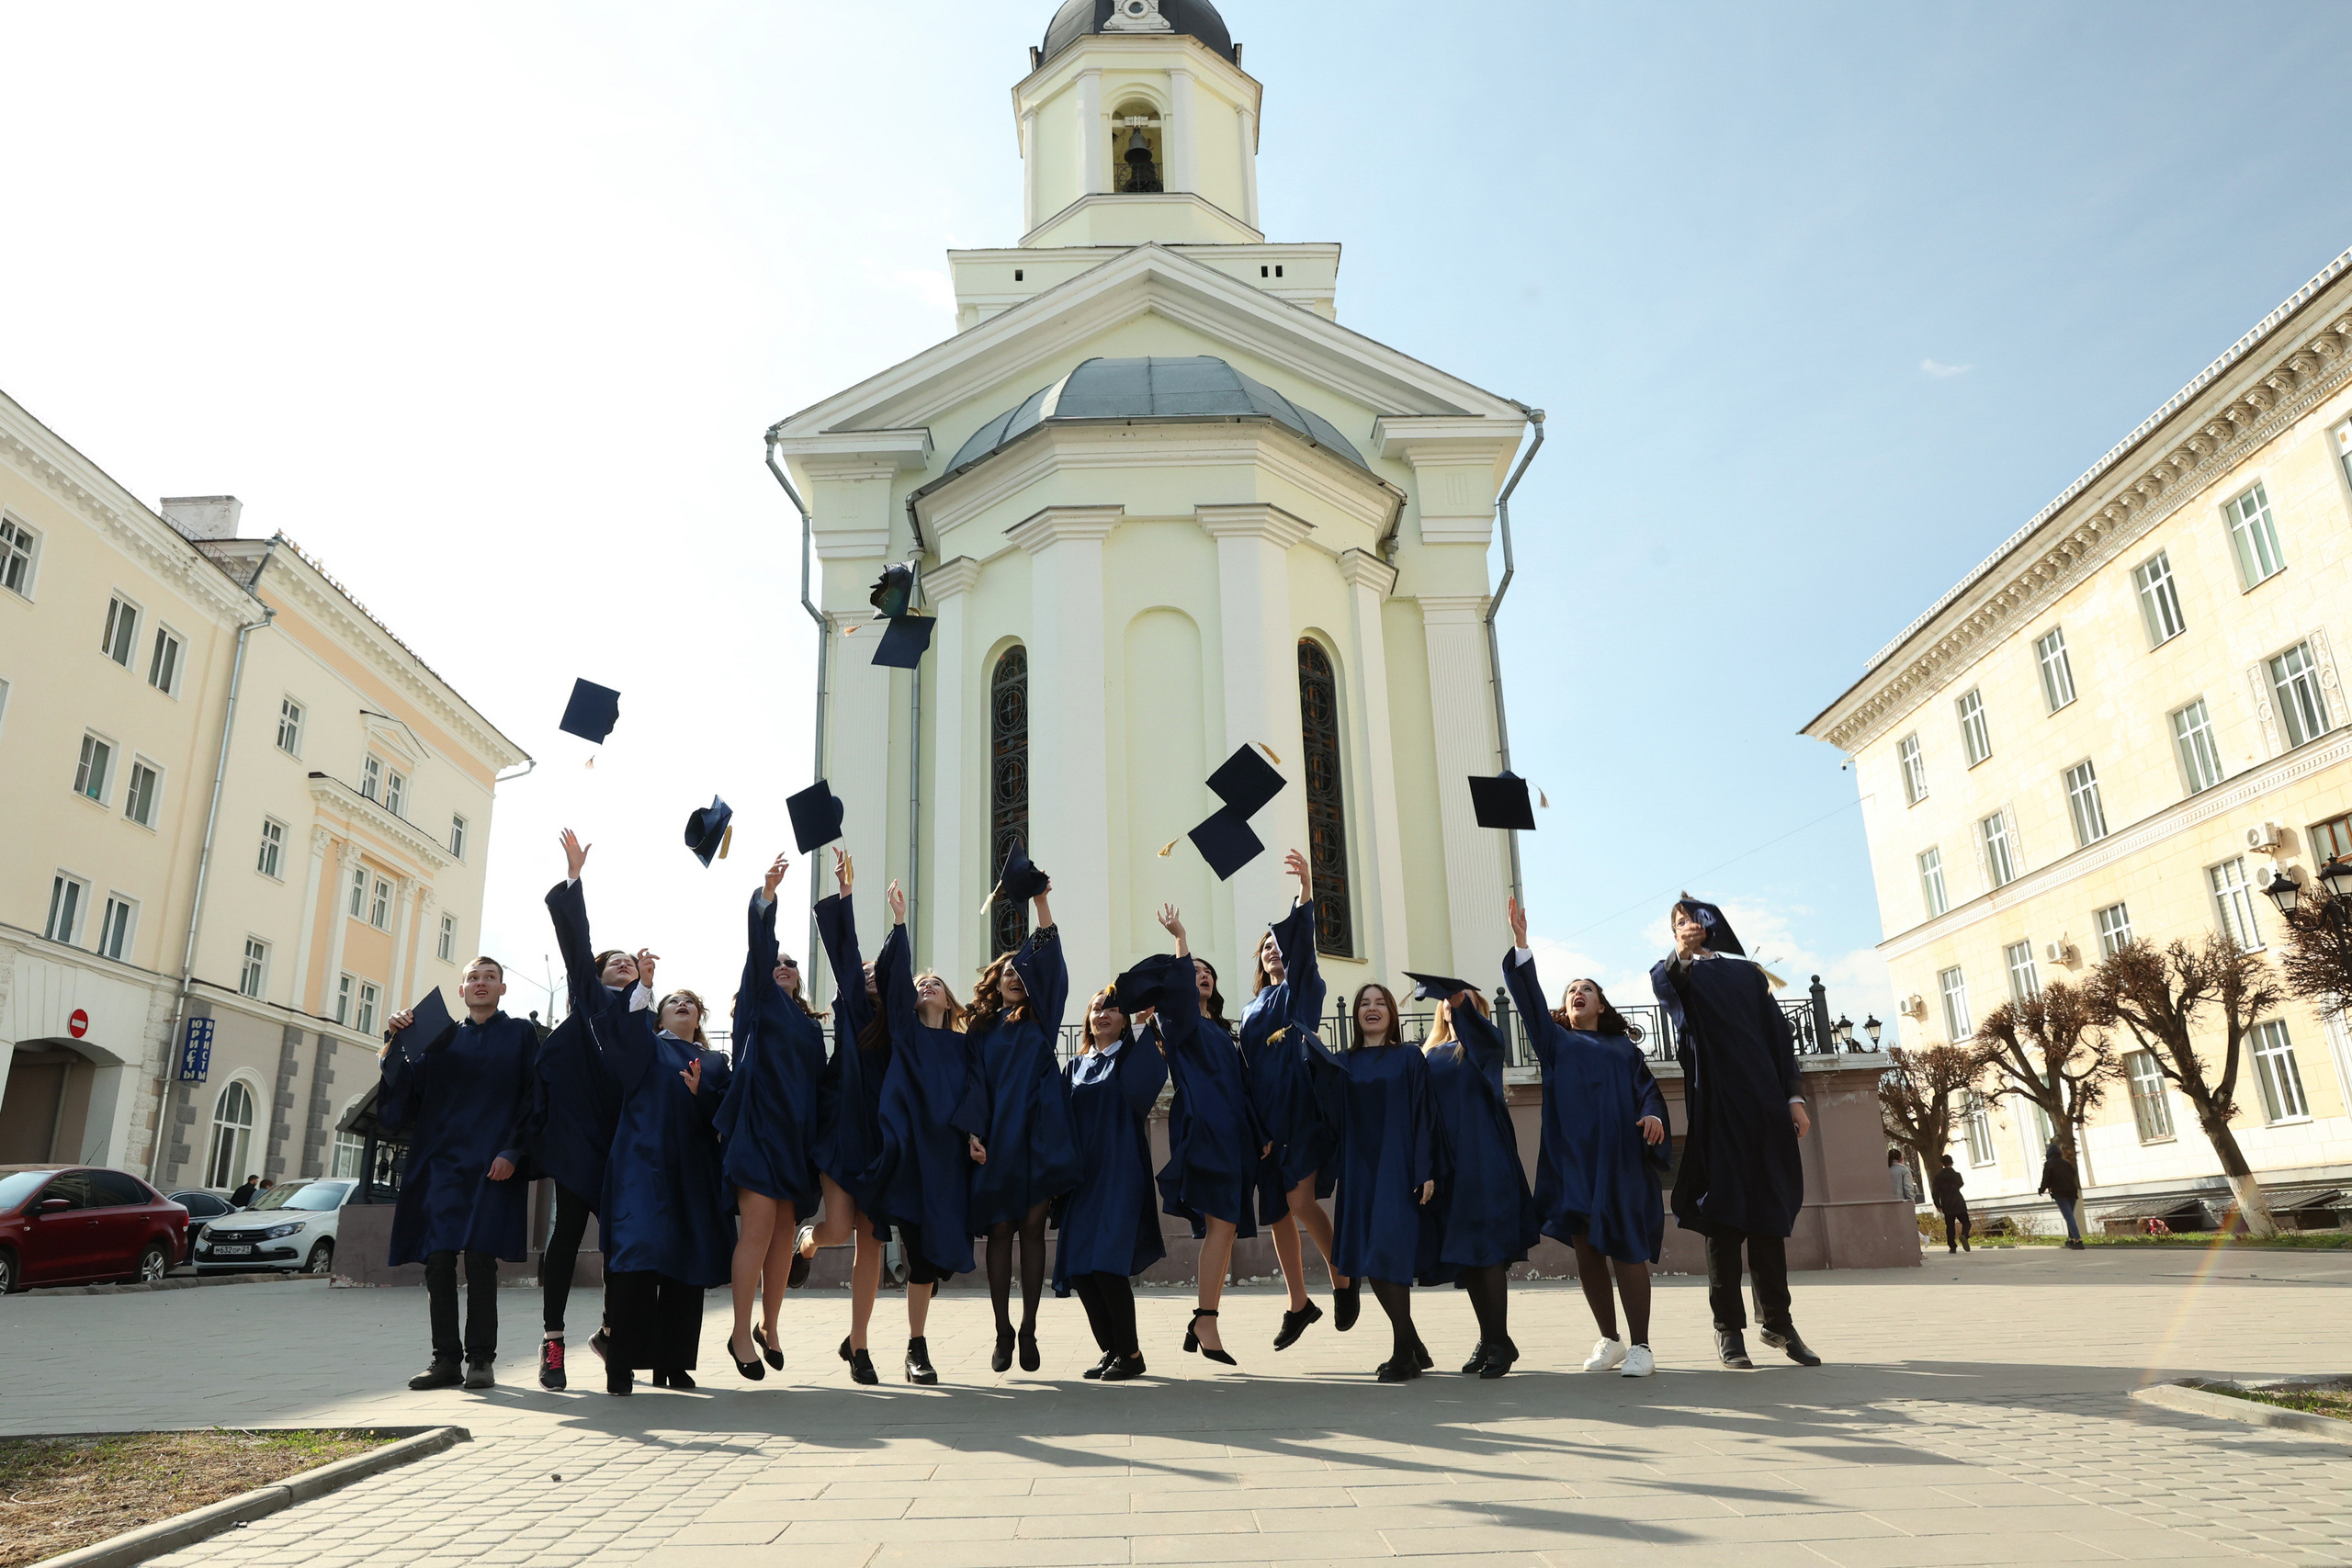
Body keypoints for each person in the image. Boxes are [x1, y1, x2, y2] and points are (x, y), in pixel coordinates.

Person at [550, 828, 732, 1394]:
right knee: (634, 1259)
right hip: (637, 1164)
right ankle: (621, 1363)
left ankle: (674, 1364)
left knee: (683, 1262)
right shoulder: (640, 1041)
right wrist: (575, 881)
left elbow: (724, 1112)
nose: (681, 1004)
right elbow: (593, 980)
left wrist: (703, 1094)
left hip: (688, 1168)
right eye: (672, 999)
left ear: (700, 1017)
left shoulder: (713, 1060)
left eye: (690, 1002)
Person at [1650, 894, 1822, 1370]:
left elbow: (1778, 1038)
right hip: (1717, 1107)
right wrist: (1682, 955)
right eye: (1678, 922)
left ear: (1713, 924)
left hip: (1764, 1106)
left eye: (1693, 919)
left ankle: (1778, 1323)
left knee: (1768, 1214)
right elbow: (1670, 989)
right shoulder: (1673, 972)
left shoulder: (1749, 974)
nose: (1687, 926)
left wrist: (1793, 1097)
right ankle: (1728, 1329)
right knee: (1723, 1218)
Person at [1503, 900, 1668, 1380]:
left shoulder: (1624, 1051)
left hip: (1619, 1161)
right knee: (1588, 1251)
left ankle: (1642, 1346)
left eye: (1587, 989)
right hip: (1573, 1162)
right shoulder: (1555, 1043)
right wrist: (1522, 945)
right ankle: (1611, 1340)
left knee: (1627, 1248)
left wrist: (1653, 1116)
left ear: (1601, 1006)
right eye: (1572, 990)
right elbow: (1529, 1001)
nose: (1578, 993)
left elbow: (1648, 1093)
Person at [378, 957, 537, 1392]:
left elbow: (533, 1096)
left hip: (493, 1162)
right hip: (441, 1162)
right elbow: (405, 1094)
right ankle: (445, 1359)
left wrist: (513, 1150)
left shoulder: (521, 1034)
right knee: (438, 1259)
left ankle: (481, 1360)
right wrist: (394, 1040)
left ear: (502, 989)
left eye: (490, 978)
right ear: (461, 990)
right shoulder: (440, 1037)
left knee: (481, 1259)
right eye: (473, 978)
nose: (481, 983)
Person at [714, 852, 830, 1381]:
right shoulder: (759, 1002)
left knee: (784, 1236)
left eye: (792, 964)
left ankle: (770, 1325)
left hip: (795, 1139)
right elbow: (760, 950)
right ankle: (740, 1332)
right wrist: (767, 897)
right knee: (758, 1231)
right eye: (777, 962)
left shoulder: (809, 1025)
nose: (783, 967)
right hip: (758, 1129)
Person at [865, 879, 986, 1384]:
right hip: (913, 1158)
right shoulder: (906, 1033)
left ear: (950, 999)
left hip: (951, 1160)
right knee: (919, 1256)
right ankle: (917, 1347)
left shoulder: (965, 1045)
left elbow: (976, 1093)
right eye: (920, 984)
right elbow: (894, 982)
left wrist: (975, 1134)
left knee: (938, 1261)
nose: (926, 985)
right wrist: (899, 922)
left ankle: (922, 1305)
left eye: (935, 982)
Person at [965, 881, 1078, 1374]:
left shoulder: (1041, 1019)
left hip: (1036, 1138)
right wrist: (972, 1133)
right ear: (995, 982)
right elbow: (972, 1084)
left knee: (1032, 1229)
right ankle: (1002, 1329)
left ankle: (1029, 1326)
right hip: (995, 1139)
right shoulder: (981, 1029)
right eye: (1007, 971)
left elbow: (1051, 963)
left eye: (1021, 971)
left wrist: (1041, 903)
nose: (1014, 975)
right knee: (999, 1231)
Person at [1146, 904, 1262, 1367]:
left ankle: (1205, 1319)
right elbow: (1175, 991)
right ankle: (1206, 1318)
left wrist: (1258, 1133)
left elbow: (1242, 1086)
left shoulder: (1222, 1030)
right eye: (1194, 971)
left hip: (1234, 1133)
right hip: (1205, 1129)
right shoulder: (1180, 1023)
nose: (1202, 974)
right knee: (1221, 1224)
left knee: (1226, 1227)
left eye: (1208, 972)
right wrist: (1181, 939)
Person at [1240, 850, 1349, 1350]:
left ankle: (1342, 1275)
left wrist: (1305, 892)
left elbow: (1302, 950)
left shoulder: (1302, 991)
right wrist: (1253, 1127)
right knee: (1277, 1213)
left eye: (1279, 946)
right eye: (1267, 947)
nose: (1274, 951)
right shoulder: (1250, 1009)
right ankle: (1299, 1303)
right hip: (1266, 1120)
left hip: (1299, 1108)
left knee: (1300, 1201)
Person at [524, 898, 628, 1392]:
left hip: (624, 1147)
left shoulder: (645, 1015)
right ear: (596, 975)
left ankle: (611, 1334)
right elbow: (576, 948)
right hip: (578, 1143)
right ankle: (553, 1341)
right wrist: (573, 883)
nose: (624, 963)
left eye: (630, 961)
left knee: (621, 1245)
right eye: (614, 961)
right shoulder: (591, 1002)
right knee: (565, 1234)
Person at [1419, 982, 1539, 1377]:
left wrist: (1465, 1010)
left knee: (1486, 1251)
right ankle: (1491, 1339)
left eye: (1465, 1002)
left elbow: (1483, 1035)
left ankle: (1499, 1341)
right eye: (1449, 1001)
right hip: (1448, 1163)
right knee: (1468, 1256)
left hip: (1485, 1159)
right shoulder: (1428, 1053)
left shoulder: (1484, 1046)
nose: (1454, 1005)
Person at [1052, 984, 1169, 1381]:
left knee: (1106, 1263)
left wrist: (1143, 1025)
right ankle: (1112, 1349)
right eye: (1097, 1008)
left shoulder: (1129, 1058)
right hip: (1081, 1177)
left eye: (1112, 1009)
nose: (1103, 1014)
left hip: (1120, 1171)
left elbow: (1148, 1081)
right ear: (1087, 1019)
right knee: (1081, 1268)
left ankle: (1131, 1354)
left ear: (1123, 1021)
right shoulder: (1074, 1066)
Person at [1330, 983, 1437, 1382]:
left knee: (1387, 1255)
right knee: (1371, 1259)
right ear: (1356, 1014)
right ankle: (1412, 1346)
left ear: (1392, 1013)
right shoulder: (1343, 1062)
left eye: (1380, 1003)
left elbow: (1424, 1114)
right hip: (1359, 1171)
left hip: (1398, 1168)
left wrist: (1425, 1168)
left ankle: (1404, 1353)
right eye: (1364, 1003)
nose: (1371, 1008)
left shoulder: (1409, 1057)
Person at [2038, 1141, 2084, 1249]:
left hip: (2060, 1193)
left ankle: (2078, 1240)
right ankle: (2071, 1239)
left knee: (2068, 1216)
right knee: (2070, 1215)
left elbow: (2046, 1179)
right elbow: (2073, 1174)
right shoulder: (2067, 1163)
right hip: (2072, 1192)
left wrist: (2042, 1190)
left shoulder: (2049, 1164)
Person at [1931, 1155, 1972, 1253]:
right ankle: (1964, 1235)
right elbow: (1961, 1184)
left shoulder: (1938, 1177)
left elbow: (1935, 1192)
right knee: (1966, 1222)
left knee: (1950, 1226)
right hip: (1958, 1201)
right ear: (1952, 1163)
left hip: (1946, 1202)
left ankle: (1952, 1247)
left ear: (1942, 1164)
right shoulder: (1956, 1175)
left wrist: (1938, 1205)